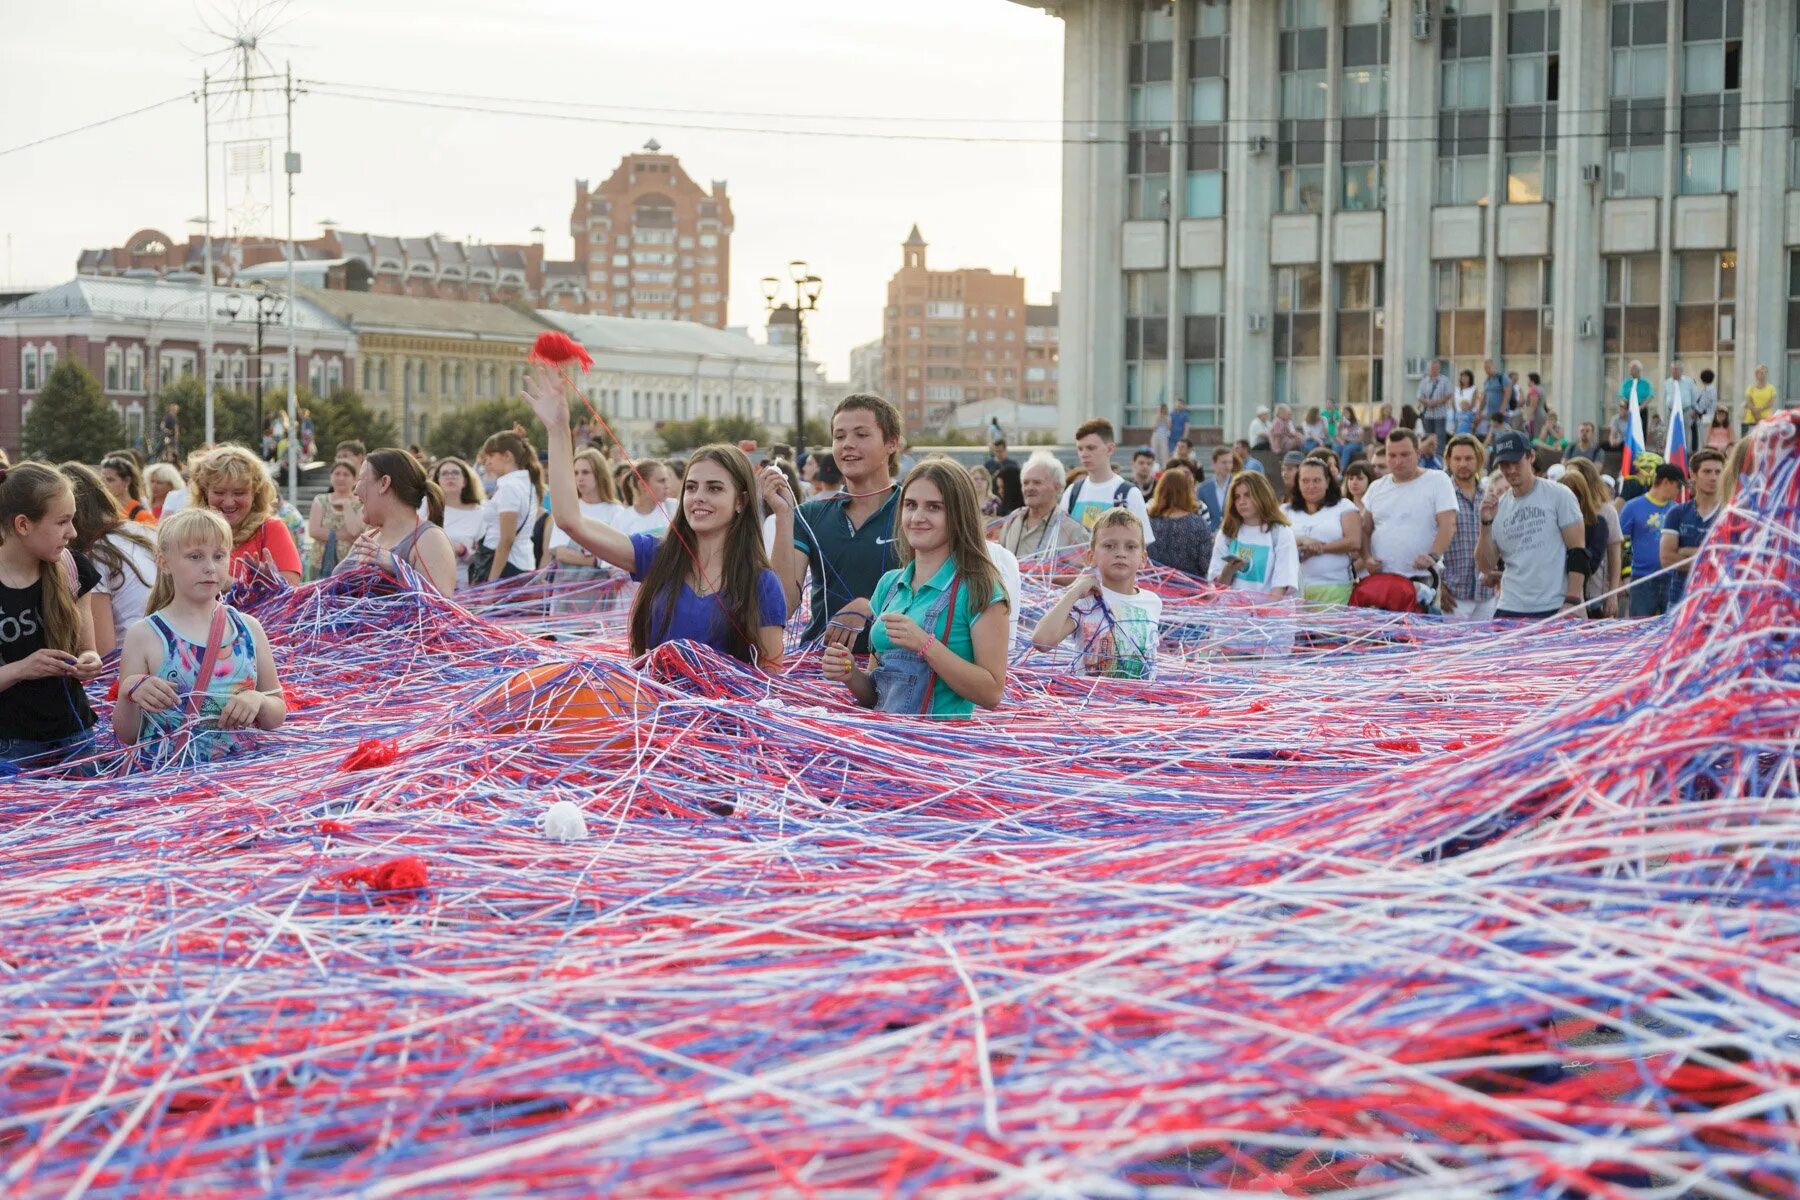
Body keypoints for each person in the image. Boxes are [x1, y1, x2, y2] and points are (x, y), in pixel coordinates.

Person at [527, 366, 787, 667]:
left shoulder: (760, 583)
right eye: (691, 487)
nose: (699, 497)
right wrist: (558, 431)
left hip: (721, 714)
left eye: (714, 488)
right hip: (652, 706)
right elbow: (571, 521)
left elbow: (769, 680)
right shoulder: (658, 555)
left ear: (740, 501)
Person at [824, 458, 1008, 716]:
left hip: (935, 748)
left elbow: (991, 694)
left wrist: (925, 645)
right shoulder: (889, 585)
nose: (917, 517)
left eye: (934, 507)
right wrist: (850, 674)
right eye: (910, 505)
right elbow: (878, 694)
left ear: (959, 515)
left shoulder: (980, 588)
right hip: (885, 739)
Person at [110, 506, 285, 768]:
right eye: (195, 557)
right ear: (164, 562)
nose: (209, 568)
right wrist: (129, 691)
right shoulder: (145, 635)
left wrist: (258, 701)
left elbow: (277, 713)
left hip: (239, 779)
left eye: (219, 556)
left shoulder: (249, 629)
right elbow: (128, 734)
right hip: (169, 781)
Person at [770, 392, 904, 650]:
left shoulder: (915, 511)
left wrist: (871, 605)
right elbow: (782, 606)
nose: (847, 444)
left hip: (895, 670)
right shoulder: (810, 515)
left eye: (861, 435)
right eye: (839, 436)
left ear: (891, 443)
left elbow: (938, 598)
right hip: (819, 667)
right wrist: (783, 517)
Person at [0, 463, 105, 772]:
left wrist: (89, 661)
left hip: (75, 734)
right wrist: (22, 669)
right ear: (23, 525)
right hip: (12, 744)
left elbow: (89, 648)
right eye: (62, 522)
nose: (72, 532)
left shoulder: (73, 569)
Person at [1032, 507, 1160, 679]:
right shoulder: (1086, 602)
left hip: (1138, 703)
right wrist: (1074, 592)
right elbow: (1042, 641)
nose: (1121, 553)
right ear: (1091, 557)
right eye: (1109, 546)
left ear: (1143, 559)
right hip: (1093, 703)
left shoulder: (1152, 602)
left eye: (1130, 547)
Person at [1475, 430, 1585, 620]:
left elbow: (1578, 551)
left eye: (1515, 462)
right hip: (1510, 606)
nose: (1510, 470)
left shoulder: (1559, 494)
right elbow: (1486, 565)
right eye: (1504, 465)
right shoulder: (1499, 507)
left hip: (1553, 605)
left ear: (1531, 457)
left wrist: (1572, 601)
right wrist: (1485, 524)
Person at [60, 462, 158, 657]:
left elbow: (104, 653)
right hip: (173, 655)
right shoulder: (142, 531)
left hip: (133, 665)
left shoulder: (95, 556)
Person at [339, 449, 458, 595]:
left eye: (361, 479)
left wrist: (396, 567)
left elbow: (442, 607)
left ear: (384, 483)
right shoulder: (369, 537)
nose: (355, 490)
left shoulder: (430, 539)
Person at [188, 445, 301, 585]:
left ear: (255, 494)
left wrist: (229, 584)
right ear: (205, 493)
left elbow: (289, 596)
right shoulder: (189, 532)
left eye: (239, 493)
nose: (228, 502)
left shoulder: (271, 530)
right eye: (219, 492)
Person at [1360, 430, 1456, 589]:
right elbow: (1364, 529)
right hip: (1382, 578)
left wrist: (1433, 556)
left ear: (1418, 453)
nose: (1398, 461)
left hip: (1422, 579)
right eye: (1392, 455)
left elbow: (1449, 524)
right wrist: (1367, 558)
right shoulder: (1376, 487)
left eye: (1405, 455)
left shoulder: (1438, 480)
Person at [542, 446, 619, 610]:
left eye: (586, 472)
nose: (580, 478)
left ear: (599, 474)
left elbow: (619, 553)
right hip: (568, 595)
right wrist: (596, 561)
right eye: (576, 473)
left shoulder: (616, 511)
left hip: (600, 596)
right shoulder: (568, 509)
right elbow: (560, 552)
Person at [1061, 418, 1155, 544]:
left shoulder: (1129, 494)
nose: (1084, 454)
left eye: (1091, 448)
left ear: (1110, 449)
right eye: (1080, 448)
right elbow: (1060, 540)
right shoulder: (1072, 492)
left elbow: (1143, 544)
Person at [1208, 471, 1299, 598]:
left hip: (1269, 615)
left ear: (1262, 496)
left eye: (1248, 495)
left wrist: (1261, 616)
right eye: (1237, 497)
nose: (1242, 502)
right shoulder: (1227, 533)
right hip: (1231, 615)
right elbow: (1216, 591)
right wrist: (1228, 571)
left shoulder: (1280, 533)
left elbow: (1280, 588)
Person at [1282, 458, 1360, 605]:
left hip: (1335, 588)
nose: (1311, 486)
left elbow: (1354, 541)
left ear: (1328, 481)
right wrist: (1301, 540)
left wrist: (1320, 549)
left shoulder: (1344, 506)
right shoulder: (1285, 510)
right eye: (1305, 481)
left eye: (1317, 480)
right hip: (1293, 591)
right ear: (1297, 483)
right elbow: (1274, 542)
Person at [1658, 447, 1726, 610]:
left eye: (1718, 472)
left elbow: (1731, 558)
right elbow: (1666, 559)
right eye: (1707, 472)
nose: (1713, 477)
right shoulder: (1677, 513)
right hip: (1681, 601)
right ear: (1693, 475)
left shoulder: (1730, 514)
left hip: (1718, 602)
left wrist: (1685, 552)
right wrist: (1711, 557)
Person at [1439, 435, 1496, 621]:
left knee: (1485, 649)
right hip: (1453, 595)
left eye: (1468, 458)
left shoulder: (1489, 496)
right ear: (1448, 461)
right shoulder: (1440, 496)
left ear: (1479, 460)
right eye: (1457, 458)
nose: (1462, 463)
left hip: (1486, 595)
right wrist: (1438, 585)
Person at [475, 430, 543, 582]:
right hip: (520, 562)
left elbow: (506, 539)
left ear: (507, 456)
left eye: (491, 456)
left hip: (505, 566)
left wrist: (491, 583)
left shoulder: (510, 487)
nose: (487, 462)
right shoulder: (526, 484)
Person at [994, 452, 1089, 560]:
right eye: (1025, 483)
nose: (1029, 488)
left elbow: (1084, 574)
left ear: (1057, 487)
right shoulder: (1012, 521)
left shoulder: (1072, 530)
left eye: (1037, 482)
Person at [1618, 463, 1684, 618]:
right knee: (1639, 629)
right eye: (1678, 486)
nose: (1680, 491)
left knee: (1672, 630)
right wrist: (1619, 579)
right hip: (1642, 579)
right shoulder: (1632, 507)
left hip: (1672, 580)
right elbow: (1620, 544)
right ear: (1666, 482)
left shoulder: (1678, 510)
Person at [1562, 456, 1622, 618]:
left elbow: (1615, 556)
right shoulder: (1561, 508)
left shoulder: (1606, 512)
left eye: (1574, 474)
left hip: (1596, 592)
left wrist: (1613, 594)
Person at [1145, 465, 1214, 579]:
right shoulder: (1198, 524)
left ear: (1161, 490)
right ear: (1187, 492)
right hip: (1191, 590)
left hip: (1155, 588)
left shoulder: (1149, 523)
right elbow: (1206, 564)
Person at [432, 456, 487, 589]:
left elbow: (484, 559)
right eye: (444, 473)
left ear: (465, 481)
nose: (450, 477)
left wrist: (462, 550)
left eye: (455, 473)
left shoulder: (480, 513)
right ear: (437, 481)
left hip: (462, 587)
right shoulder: (425, 508)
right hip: (427, 584)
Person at [305, 460, 363, 580]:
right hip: (320, 563)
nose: (341, 478)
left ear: (355, 480)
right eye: (337, 474)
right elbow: (314, 531)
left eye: (346, 474)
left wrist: (346, 504)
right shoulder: (321, 500)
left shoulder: (360, 502)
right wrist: (342, 535)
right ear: (331, 477)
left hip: (351, 565)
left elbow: (354, 531)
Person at [99, 454, 156, 526]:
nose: (104, 484)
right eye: (102, 480)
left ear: (127, 481)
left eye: (110, 480)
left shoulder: (142, 515)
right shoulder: (102, 511)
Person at [1417, 359, 1454, 446]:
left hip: (1440, 415)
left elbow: (1449, 394)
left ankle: (1439, 457)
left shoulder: (1445, 380)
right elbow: (1419, 396)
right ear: (1428, 369)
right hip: (1427, 415)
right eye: (1431, 368)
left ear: (1439, 368)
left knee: (1440, 438)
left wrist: (1436, 402)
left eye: (1435, 368)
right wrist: (1428, 403)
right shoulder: (1424, 381)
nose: (1433, 370)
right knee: (1428, 438)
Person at [1197, 444, 1234, 528]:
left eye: (1230, 462)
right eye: (1224, 462)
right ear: (1214, 463)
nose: (1227, 466)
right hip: (1210, 535)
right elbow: (1199, 515)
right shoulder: (1203, 489)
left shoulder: (1238, 486)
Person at [1662, 361, 1696, 443]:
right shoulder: (1667, 383)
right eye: (1673, 369)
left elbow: (1694, 396)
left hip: (1686, 412)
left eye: (1677, 369)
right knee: (1671, 434)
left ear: (1681, 370)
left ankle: (1686, 453)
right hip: (1671, 412)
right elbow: (1664, 398)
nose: (1674, 371)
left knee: (1686, 434)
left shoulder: (1689, 382)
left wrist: (1694, 410)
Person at [1744, 364, 1777, 435]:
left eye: (1765, 373)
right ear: (1756, 375)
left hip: (1766, 419)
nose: (1764, 375)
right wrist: (1756, 414)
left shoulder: (1772, 388)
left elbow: (1771, 403)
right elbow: (1749, 402)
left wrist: (1760, 409)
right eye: (1761, 373)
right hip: (1751, 418)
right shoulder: (1750, 388)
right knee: (1750, 441)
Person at [1691, 368, 1718, 454]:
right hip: (1709, 416)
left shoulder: (1708, 390)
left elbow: (1702, 405)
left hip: (1706, 418)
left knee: (1704, 439)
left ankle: (1704, 455)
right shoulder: (1710, 389)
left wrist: (1695, 409)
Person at [1482, 358, 1511, 425]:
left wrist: (1502, 410)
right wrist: (1479, 412)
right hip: (1490, 414)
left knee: (1502, 433)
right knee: (1491, 433)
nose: (1487, 370)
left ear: (1494, 367)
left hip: (1501, 414)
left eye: (1489, 367)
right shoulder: (1486, 381)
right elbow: (1484, 397)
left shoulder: (1502, 378)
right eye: (1485, 368)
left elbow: (1507, 394)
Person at [1452, 370, 1477, 435]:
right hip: (1458, 415)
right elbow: (1453, 402)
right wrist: (1456, 413)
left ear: (1470, 378)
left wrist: (1466, 413)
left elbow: (1473, 403)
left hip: (1469, 415)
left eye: (1466, 376)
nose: (1464, 378)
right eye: (1462, 376)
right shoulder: (1456, 389)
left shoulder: (1473, 388)